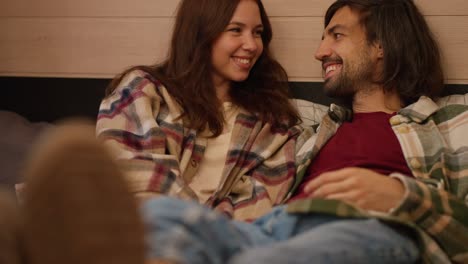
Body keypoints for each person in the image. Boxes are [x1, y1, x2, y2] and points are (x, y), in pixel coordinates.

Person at [2, 0, 466, 263]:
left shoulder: (452, 121)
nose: (319, 49)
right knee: (163, 221)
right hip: (273, 229)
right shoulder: (305, 121)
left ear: (382, 46)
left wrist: (401, 197)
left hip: (374, 229)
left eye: (336, 35)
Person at [95, 0, 302, 221]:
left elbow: (263, 206)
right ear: (201, 33)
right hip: (149, 230)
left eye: (258, 32)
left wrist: (209, 234)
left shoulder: (271, 122)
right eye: (236, 30)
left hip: (225, 242)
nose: (252, 45)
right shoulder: (143, 90)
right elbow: (134, 175)